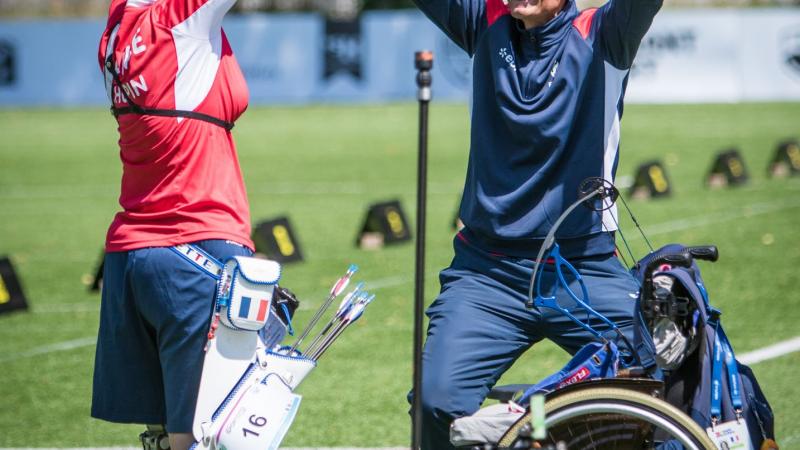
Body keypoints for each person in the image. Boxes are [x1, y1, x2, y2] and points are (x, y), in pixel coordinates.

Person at [409, 0, 663, 448]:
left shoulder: (604, 33)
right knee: (435, 400)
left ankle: (542, 413)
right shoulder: (484, 21)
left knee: (667, 368)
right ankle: (536, 415)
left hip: (584, 267)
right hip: (487, 274)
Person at [91, 1, 253, 449]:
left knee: (164, 437)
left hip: (134, 256)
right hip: (197, 249)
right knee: (206, 436)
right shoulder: (178, 17)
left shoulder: (117, 27)